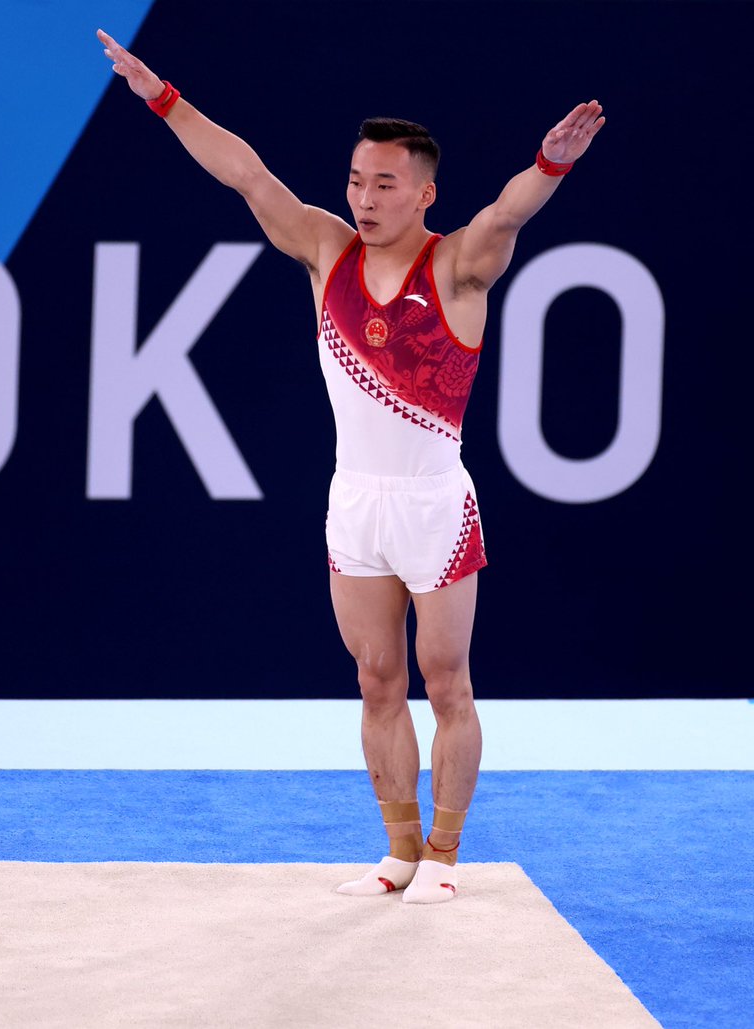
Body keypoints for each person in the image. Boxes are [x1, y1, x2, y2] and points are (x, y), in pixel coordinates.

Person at [96, 29, 604, 904]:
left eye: (385, 184)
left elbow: (508, 215)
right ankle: (399, 849)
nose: (364, 199)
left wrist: (550, 166)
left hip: (434, 502)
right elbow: (248, 174)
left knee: (447, 681)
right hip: (355, 502)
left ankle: (446, 854)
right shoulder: (328, 252)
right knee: (376, 679)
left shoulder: (457, 268)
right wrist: (162, 97)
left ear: (423, 192)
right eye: (356, 181)